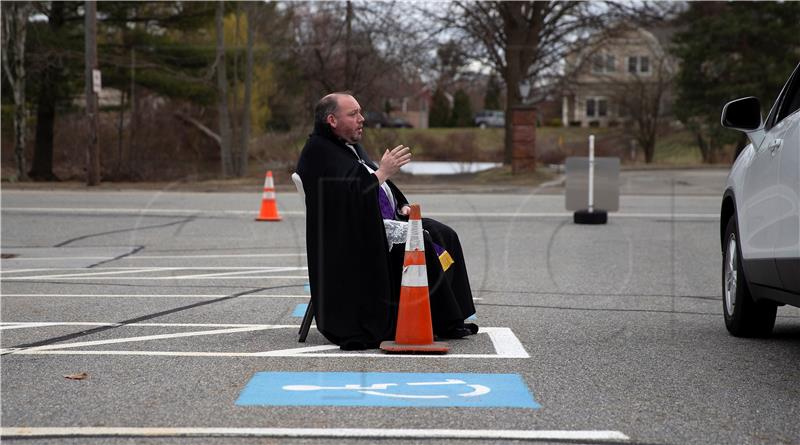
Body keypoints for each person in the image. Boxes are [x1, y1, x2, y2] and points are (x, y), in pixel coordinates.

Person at [296, 92, 477, 350]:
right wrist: (383, 172)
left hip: (380, 221)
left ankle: (449, 318)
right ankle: (429, 318)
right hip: (350, 237)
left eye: (360, 112)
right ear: (332, 120)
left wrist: (400, 203)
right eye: (353, 114)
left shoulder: (349, 146)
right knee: (419, 239)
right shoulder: (319, 153)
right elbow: (344, 201)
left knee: (444, 233)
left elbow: (374, 182)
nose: (362, 119)